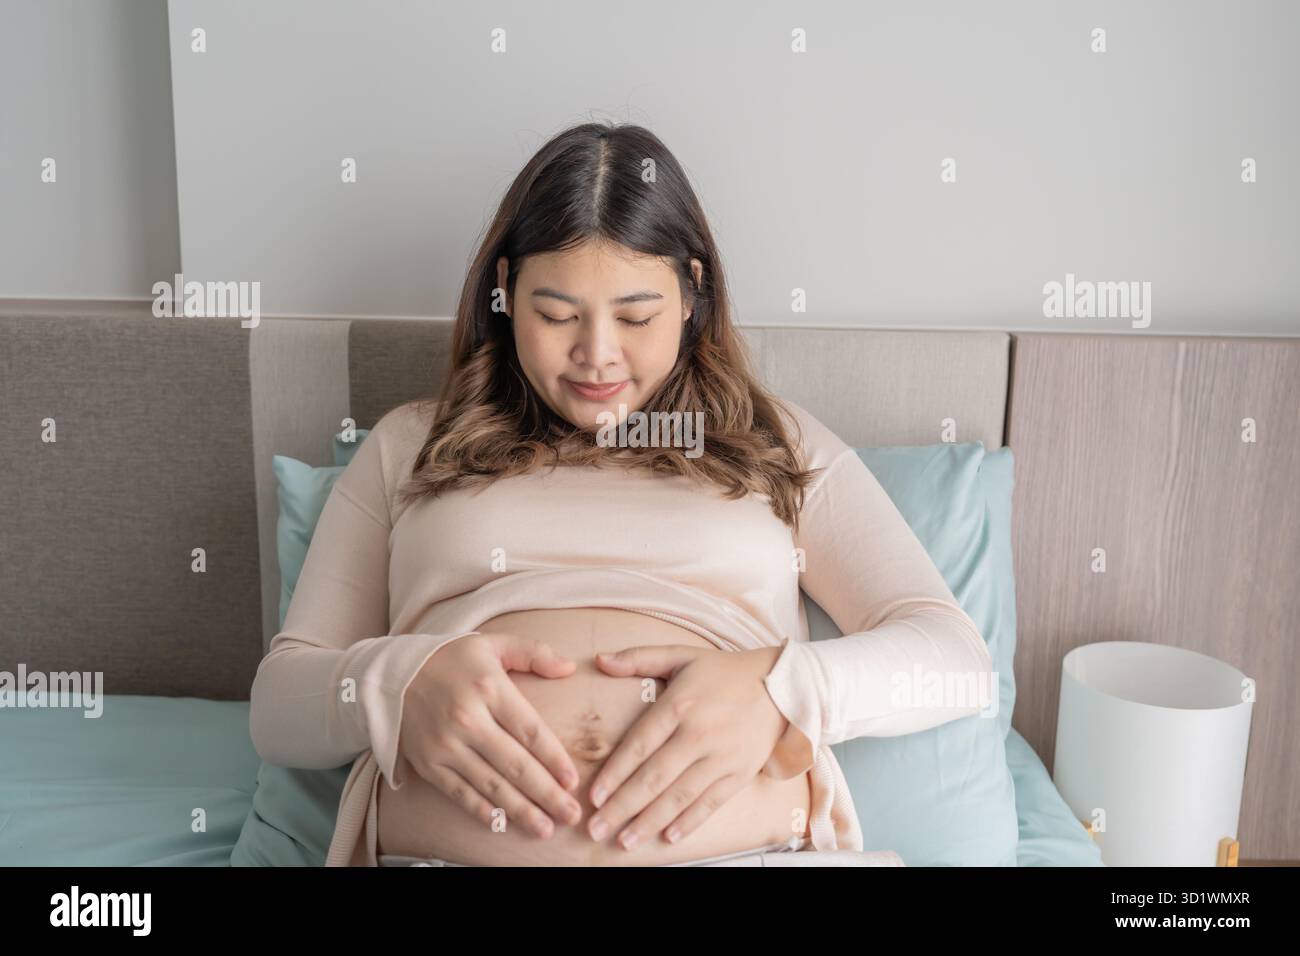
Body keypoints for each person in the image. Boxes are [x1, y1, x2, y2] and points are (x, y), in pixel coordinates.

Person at [248, 121, 993, 867]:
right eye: (556, 315)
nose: (596, 354)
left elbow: (955, 658)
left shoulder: (778, 445)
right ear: (505, 292)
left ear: (692, 292)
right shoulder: (412, 445)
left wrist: (781, 691)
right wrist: (397, 688)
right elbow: (279, 704)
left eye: (636, 316)